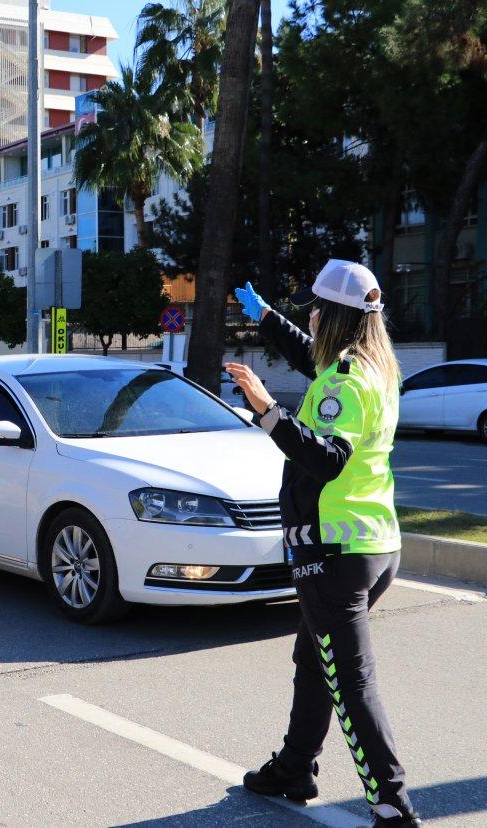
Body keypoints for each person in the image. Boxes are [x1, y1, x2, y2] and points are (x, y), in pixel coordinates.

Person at [226, 260, 418, 827]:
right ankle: (294, 767)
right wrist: (265, 318)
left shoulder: (345, 382)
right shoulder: (372, 367)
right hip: (373, 543)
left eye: (315, 306)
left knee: (349, 680)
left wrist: (267, 411)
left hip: (335, 553)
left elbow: (326, 459)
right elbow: (308, 351)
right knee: (314, 659)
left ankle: (391, 800)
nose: (309, 313)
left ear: (333, 315)